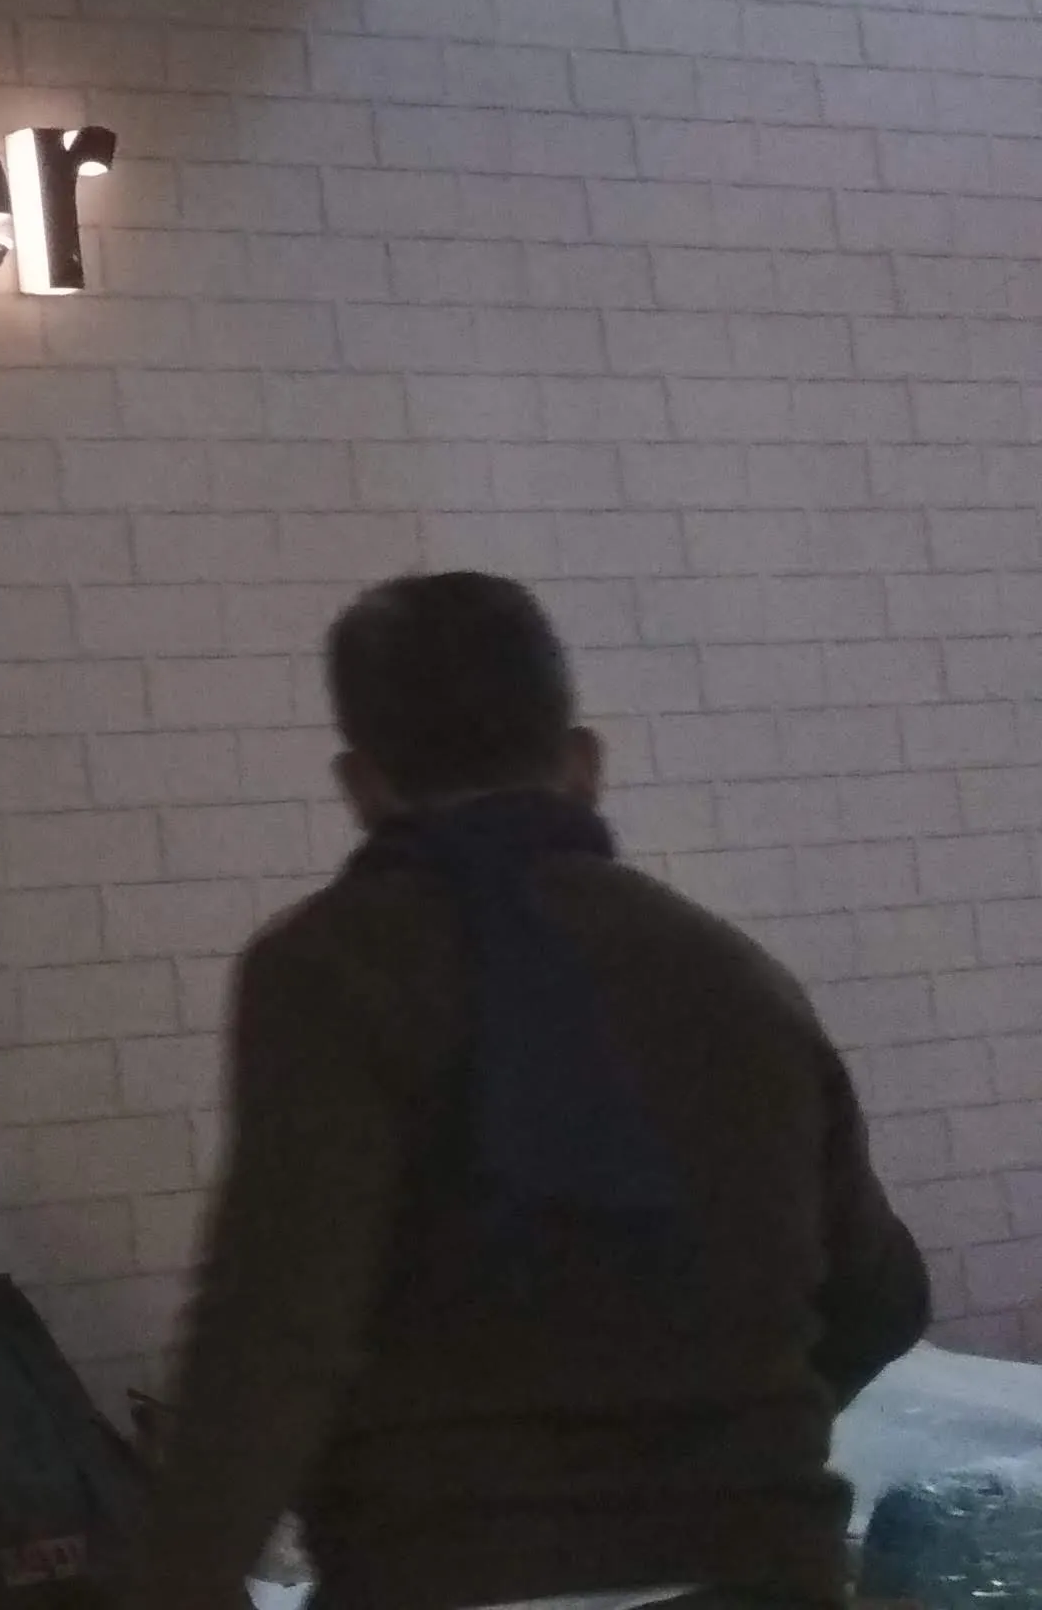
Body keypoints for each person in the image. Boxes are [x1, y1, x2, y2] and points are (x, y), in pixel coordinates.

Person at [133, 572, 931, 1610]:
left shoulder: (332, 972)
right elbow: (880, 1298)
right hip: (755, 1568)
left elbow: (276, 1334)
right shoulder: (734, 976)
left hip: (453, 1570)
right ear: (581, 761)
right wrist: (716, 1454)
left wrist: (182, 1579)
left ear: (362, 783)